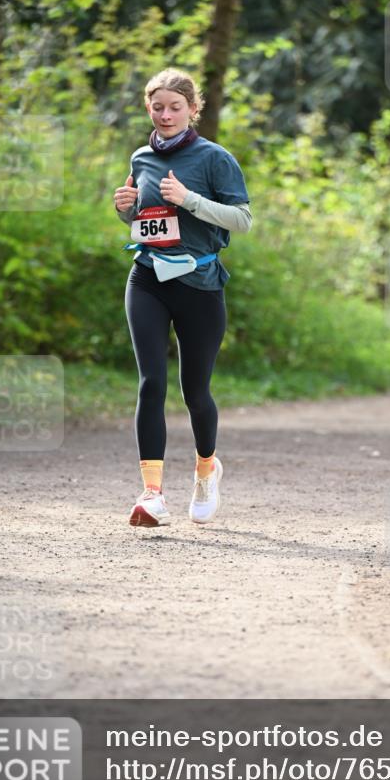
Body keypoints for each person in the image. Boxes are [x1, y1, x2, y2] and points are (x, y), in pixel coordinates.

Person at [113, 68, 252, 525]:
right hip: (148, 277)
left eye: (176, 107)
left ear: (193, 109)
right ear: (148, 108)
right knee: (151, 382)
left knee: (195, 392)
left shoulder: (215, 158)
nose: (166, 115)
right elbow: (145, 221)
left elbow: (242, 220)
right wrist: (126, 211)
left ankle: (206, 469)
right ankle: (152, 493)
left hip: (200, 286)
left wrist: (190, 199)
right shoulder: (140, 156)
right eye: (158, 107)